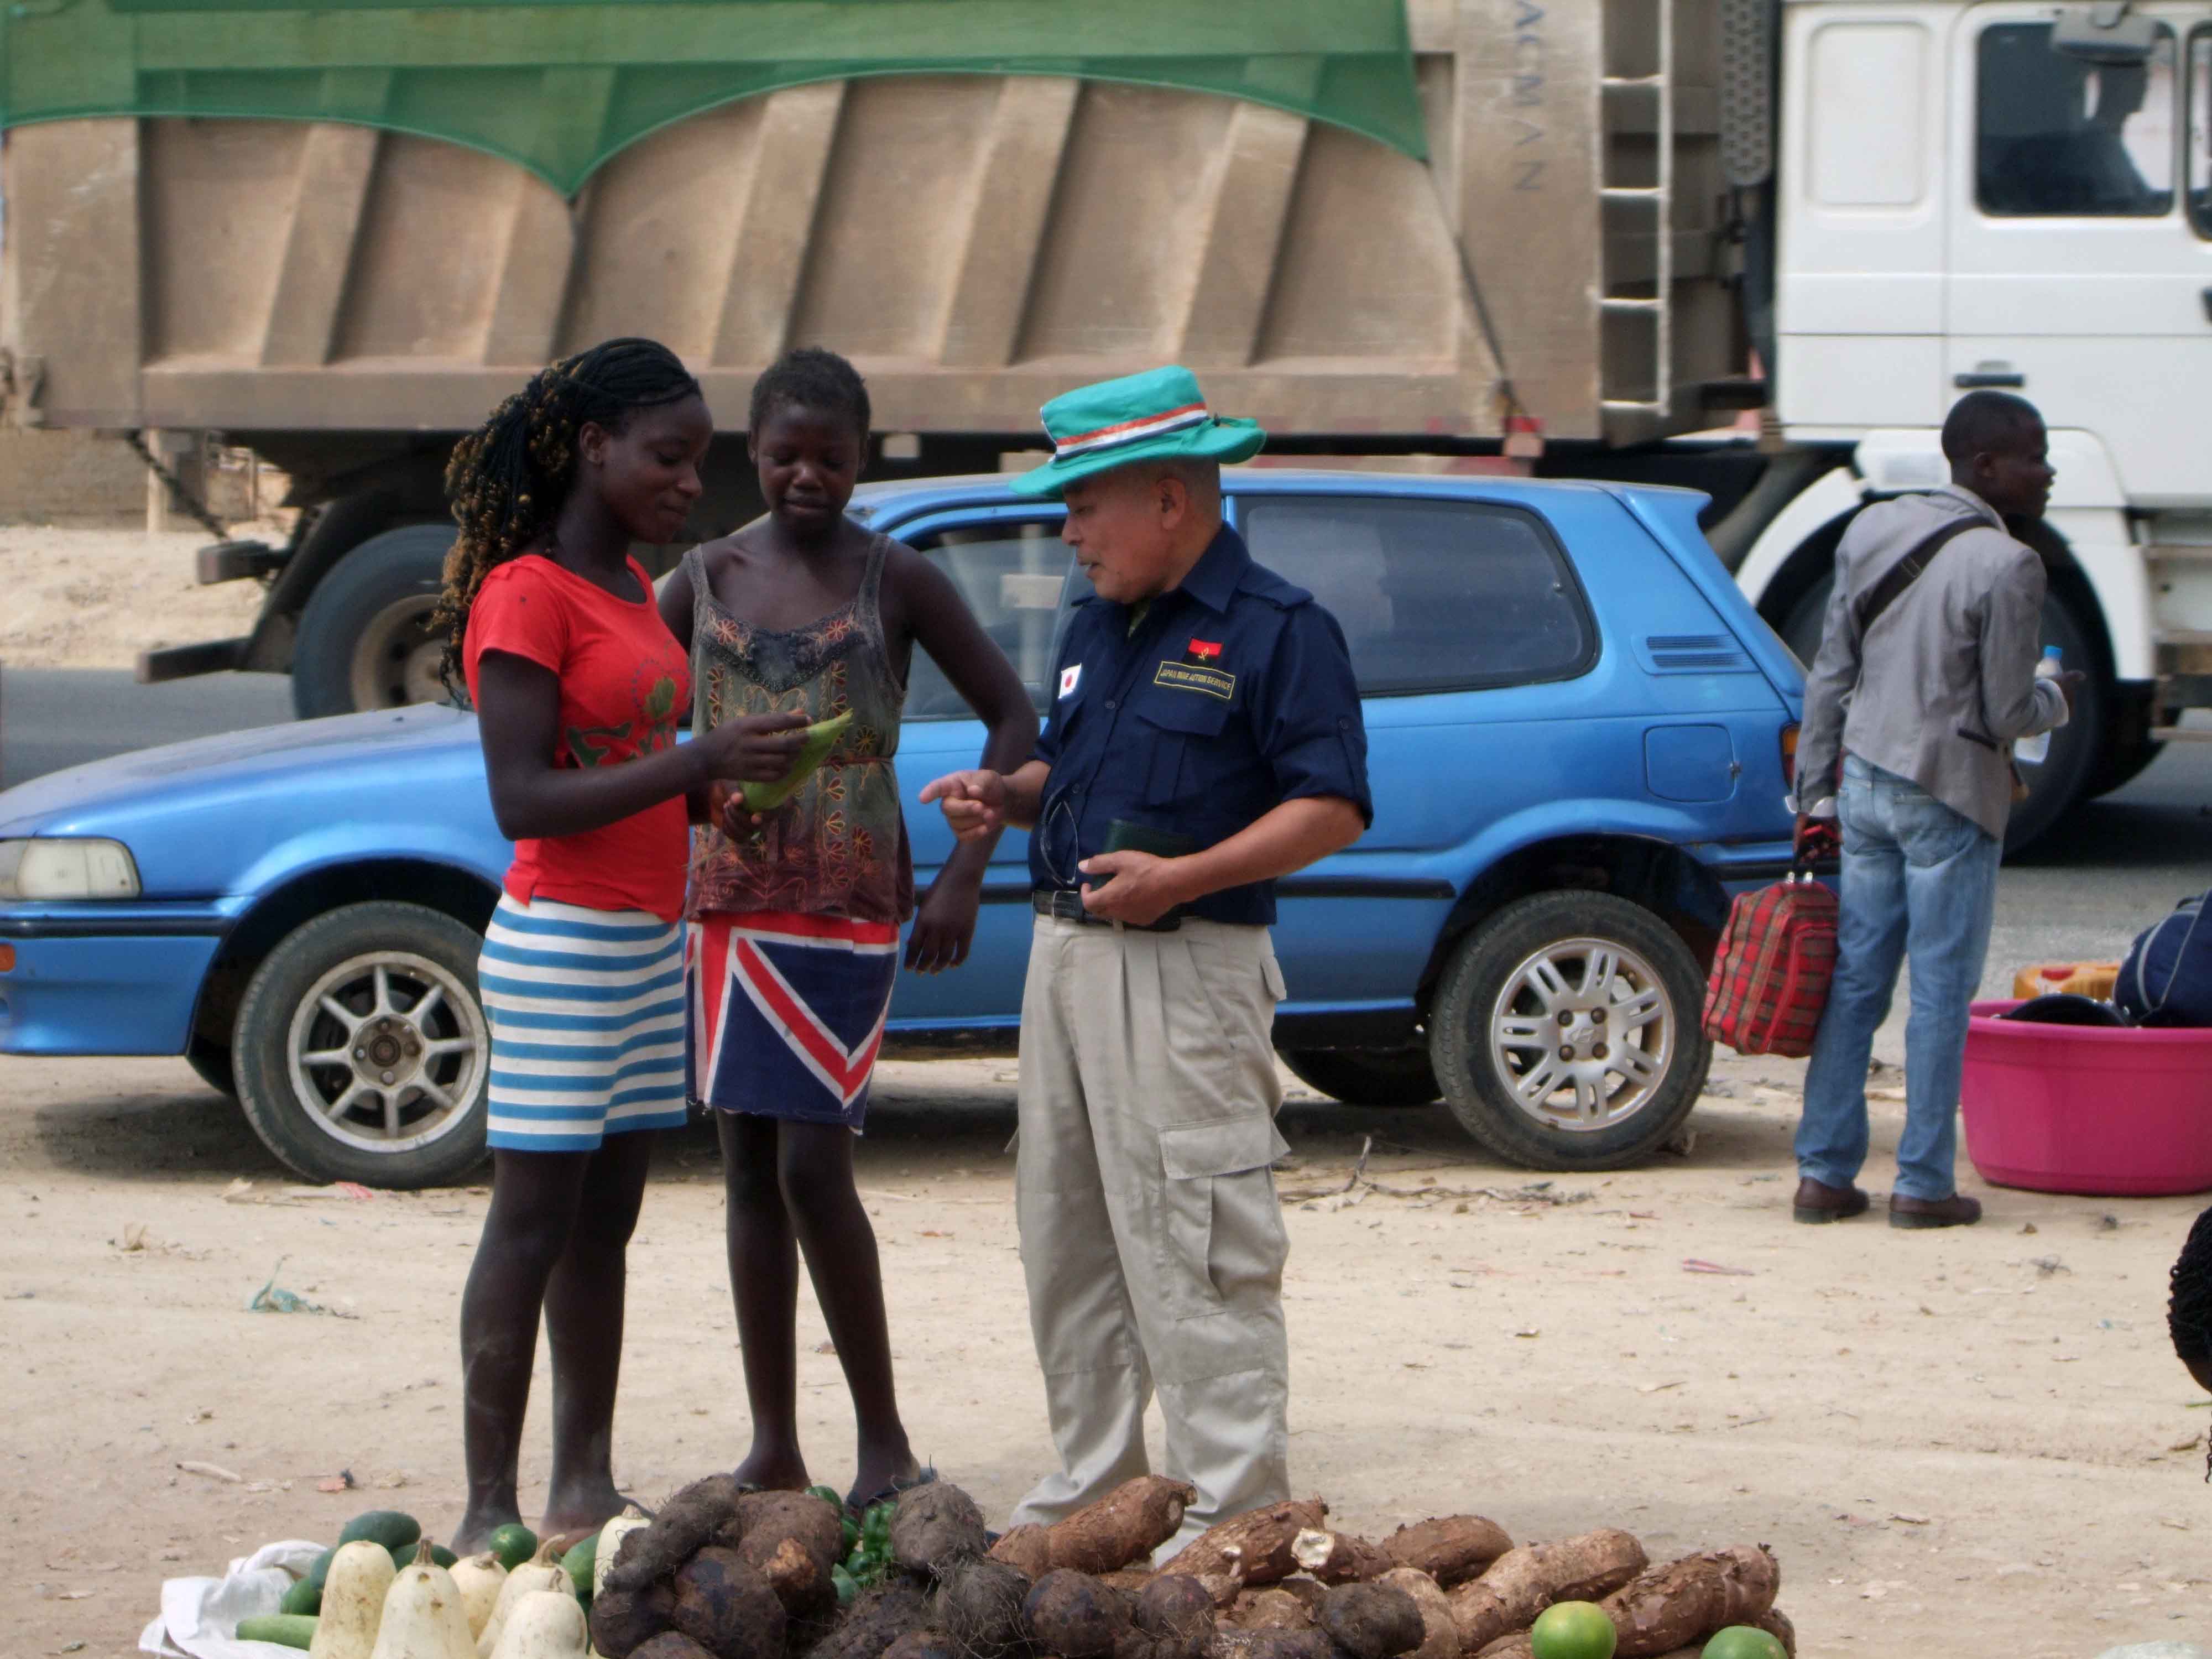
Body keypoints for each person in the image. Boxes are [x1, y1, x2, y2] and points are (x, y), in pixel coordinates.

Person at [918, 366, 1371, 1550]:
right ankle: (1098, 1488)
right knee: (1067, 1232)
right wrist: (1006, 796)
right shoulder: (1095, 626)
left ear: (1169, 499)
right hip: (1065, 963)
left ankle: (1233, 1511)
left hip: (1184, 970)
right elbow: (1072, 774)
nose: (1068, 534)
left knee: (1196, 1238)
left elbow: (1331, 807)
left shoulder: (1279, 629)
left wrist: (1184, 877)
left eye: (1084, 507)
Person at [440, 338, 812, 1551]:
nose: (689, 483)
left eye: (697, 460)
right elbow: (523, 799)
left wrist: (718, 796)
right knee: (531, 1226)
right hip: (562, 942)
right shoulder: (526, 593)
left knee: (604, 1228)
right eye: (668, 457)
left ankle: (582, 1486)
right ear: (592, 447)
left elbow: (629, 768)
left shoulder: (630, 589)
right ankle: (488, 1509)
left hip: (651, 943)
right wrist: (697, 760)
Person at [659, 347, 1036, 1510]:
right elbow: (627, 716)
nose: (806, 476)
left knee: (814, 1168)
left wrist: (966, 870)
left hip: (849, 909)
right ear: (754, 453)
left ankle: (883, 1445)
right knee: (745, 1172)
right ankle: (773, 1446)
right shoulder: (701, 578)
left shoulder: (896, 577)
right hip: (728, 908)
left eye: (830, 457)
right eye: (786, 455)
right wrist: (693, 787)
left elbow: (1013, 715)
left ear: (862, 458)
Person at [1790, 389, 2080, 1230]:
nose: (2048, 472)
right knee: (1941, 997)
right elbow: (2006, 712)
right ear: (1986, 466)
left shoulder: (1873, 529)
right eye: (2033, 456)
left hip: (1864, 783)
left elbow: (1832, 672)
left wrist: (1813, 791)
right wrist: (2057, 696)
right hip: (1950, 796)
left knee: (1856, 983)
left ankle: (1823, 1174)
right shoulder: (2009, 565)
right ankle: (1921, 1184)